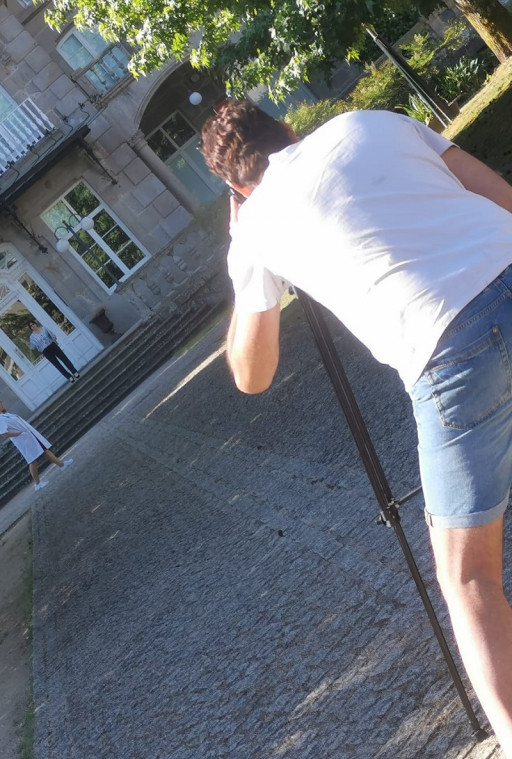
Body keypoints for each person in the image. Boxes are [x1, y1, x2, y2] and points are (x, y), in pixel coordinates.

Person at [200, 98, 512, 751]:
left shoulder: (255, 224)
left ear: (235, 185)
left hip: (448, 350)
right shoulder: (372, 122)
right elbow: (501, 196)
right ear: (286, 126)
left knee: (468, 576)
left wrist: (242, 251)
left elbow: (251, 373)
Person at [0, 398, 72, 490]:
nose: (1, 405)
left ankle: (62, 465)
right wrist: (19, 434)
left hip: (30, 436)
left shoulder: (6, 415)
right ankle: (37, 484)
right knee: (32, 460)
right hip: (23, 440)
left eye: (0, 403)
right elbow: (4, 433)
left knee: (44, 450)